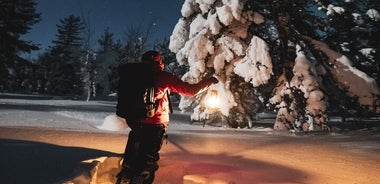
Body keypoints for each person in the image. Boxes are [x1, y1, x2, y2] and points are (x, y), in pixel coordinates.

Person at [116, 50, 218, 184]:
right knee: (148, 156)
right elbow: (190, 91)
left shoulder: (133, 75)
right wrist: (208, 81)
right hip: (155, 122)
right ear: (158, 62)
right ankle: (141, 178)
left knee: (134, 149)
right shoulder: (163, 77)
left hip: (135, 119)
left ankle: (126, 175)